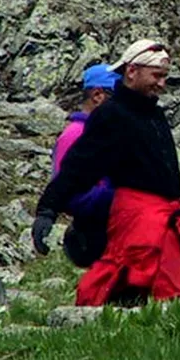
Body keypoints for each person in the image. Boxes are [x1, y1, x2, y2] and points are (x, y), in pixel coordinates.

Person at [32, 39, 180, 306]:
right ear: (131, 72)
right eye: (157, 76)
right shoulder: (111, 115)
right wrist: (47, 209)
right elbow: (79, 166)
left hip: (164, 215)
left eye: (164, 77)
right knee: (126, 285)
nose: (161, 84)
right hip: (136, 217)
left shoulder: (154, 114)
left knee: (176, 292)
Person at [49, 63, 120, 267]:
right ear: (97, 95)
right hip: (93, 232)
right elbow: (67, 192)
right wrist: (115, 196)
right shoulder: (75, 135)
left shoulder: (109, 131)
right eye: (117, 96)